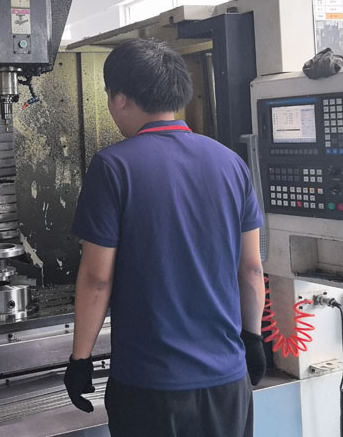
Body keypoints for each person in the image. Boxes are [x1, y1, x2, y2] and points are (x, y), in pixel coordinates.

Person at [63, 38, 266, 436]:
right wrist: (254, 337)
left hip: (149, 385)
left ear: (121, 98)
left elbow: (97, 278)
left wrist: (80, 358)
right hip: (227, 380)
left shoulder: (112, 167)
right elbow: (251, 268)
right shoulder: (231, 163)